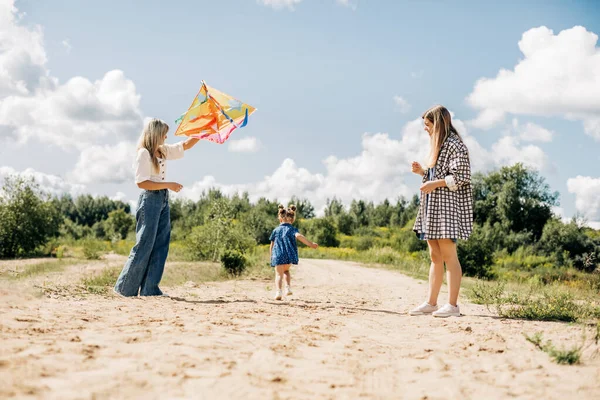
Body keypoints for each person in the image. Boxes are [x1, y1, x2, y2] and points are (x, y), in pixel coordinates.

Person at [114, 118, 199, 297]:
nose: (166, 136)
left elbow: (186, 145)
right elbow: (142, 183)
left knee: (161, 244)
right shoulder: (143, 154)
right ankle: (124, 289)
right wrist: (169, 184)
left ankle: (149, 289)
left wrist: (203, 131)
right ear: (155, 134)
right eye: (164, 133)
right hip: (150, 200)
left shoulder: (163, 150)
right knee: (145, 243)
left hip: (162, 200)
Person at [409, 105, 473, 317]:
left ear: (438, 124)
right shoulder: (439, 146)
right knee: (435, 256)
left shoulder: (455, 145)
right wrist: (423, 173)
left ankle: (453, 306)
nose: (426, 129)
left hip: (446, 208)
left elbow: (461, 177)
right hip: (432, 207)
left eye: (428, 125)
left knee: (448, 255)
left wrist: (433, 183)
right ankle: (432, 302)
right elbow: (439, 176)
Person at [269, 205, 318, 300]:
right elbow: (299, 236)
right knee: (286, 271)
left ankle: (278, 292)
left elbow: (272, 244)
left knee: (278, 274)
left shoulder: (276, 230)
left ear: (280, 218)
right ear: (292, 219)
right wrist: (311, 244)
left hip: (278, 256)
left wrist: (271, 256)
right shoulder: (292, 229)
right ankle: (287, 287)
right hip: (288, 256)